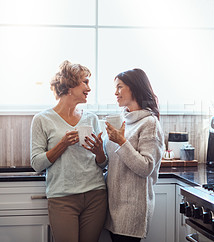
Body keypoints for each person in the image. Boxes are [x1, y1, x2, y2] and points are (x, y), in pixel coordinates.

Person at [30, 60, 107, 242]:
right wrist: (62, 144)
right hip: (62, 198)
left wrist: (99, 152)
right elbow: (36, 164)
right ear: (70, 85)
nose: (89, 88)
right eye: (85, 82)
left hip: (95, 195)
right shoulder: (42, 119)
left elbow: (103, 163)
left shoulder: (92, 118)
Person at [104, 68, 164, 242]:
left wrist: (121, 142)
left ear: (134, 88)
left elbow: (145, 167)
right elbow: (112, 161)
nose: (115, 92)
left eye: (120, 87)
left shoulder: (149, 123)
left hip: (132, 207)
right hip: (114, 205)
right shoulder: (122, 121)